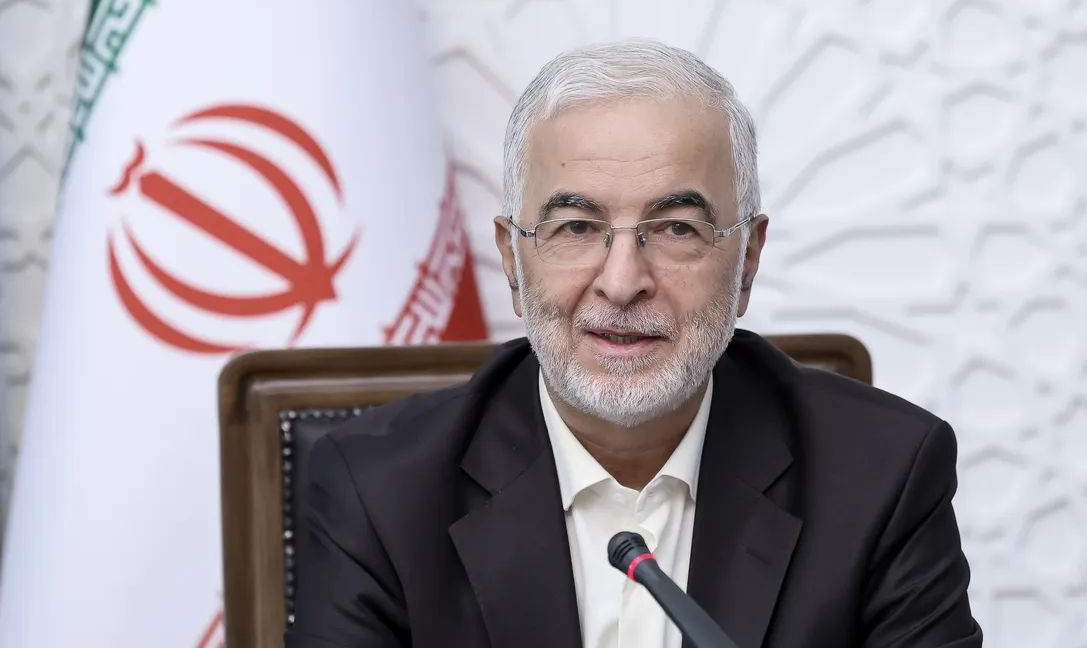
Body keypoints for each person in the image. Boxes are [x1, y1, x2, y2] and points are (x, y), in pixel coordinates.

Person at [287, 39, 983, 648]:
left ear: (747, 259)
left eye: (677, 228)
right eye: (576, 228)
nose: (621, 284)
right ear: (512, 260)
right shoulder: (378, 491)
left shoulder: (882, 476)